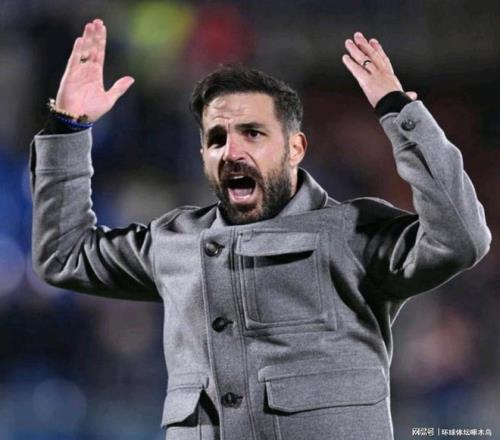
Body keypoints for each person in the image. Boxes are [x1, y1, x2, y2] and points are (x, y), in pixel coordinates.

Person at [31, 18, 491, 440]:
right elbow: (63, 256)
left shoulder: (353, 233)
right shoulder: (175, 241)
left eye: (252, 133)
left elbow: (461, 239)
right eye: (216, 139)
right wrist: (69, 128)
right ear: (203, 155)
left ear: (296, 148)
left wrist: (400, 114)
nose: (231, 151)